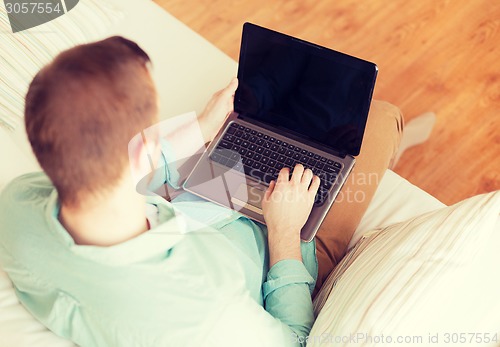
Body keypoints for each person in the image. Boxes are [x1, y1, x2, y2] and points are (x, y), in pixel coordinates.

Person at [0, 37, 403, 346]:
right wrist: (284, 233)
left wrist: (201, 128)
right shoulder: (207, 307)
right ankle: (400, 141)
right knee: (379, 119)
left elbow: (115, 168)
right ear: (143, 147)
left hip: (196, 199)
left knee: (268, 110)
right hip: (283, 240)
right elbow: (294, 338)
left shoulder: (16, 205)